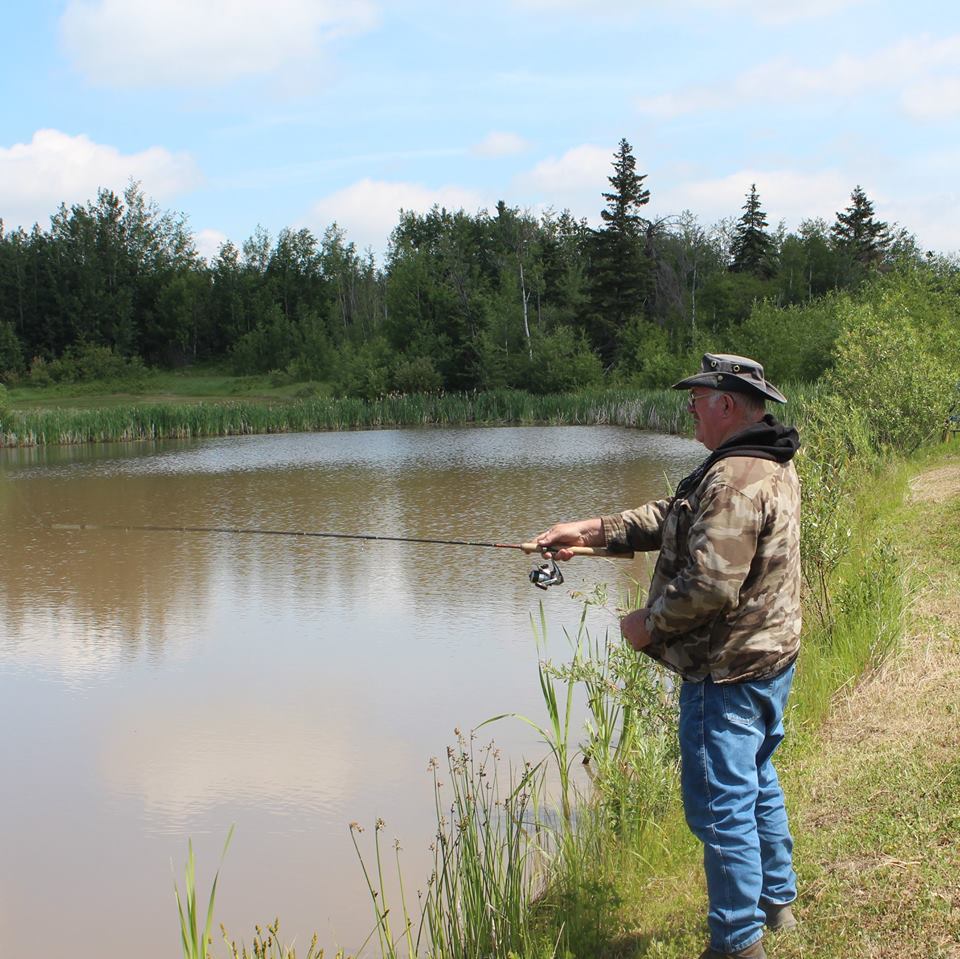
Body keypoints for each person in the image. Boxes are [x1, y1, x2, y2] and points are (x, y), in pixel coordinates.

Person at [536, 353, 801, 959]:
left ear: (727, 404)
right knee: (755, 778)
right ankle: (777, 903)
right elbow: (675, 517)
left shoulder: (733, 479)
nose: (689, 406)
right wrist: (590, 531)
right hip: (766, 658)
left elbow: (712, 587)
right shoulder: (760, 463)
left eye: (698, 396)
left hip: (726, 669)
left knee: (719, 803)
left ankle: (736, 944)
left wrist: (646, 626)